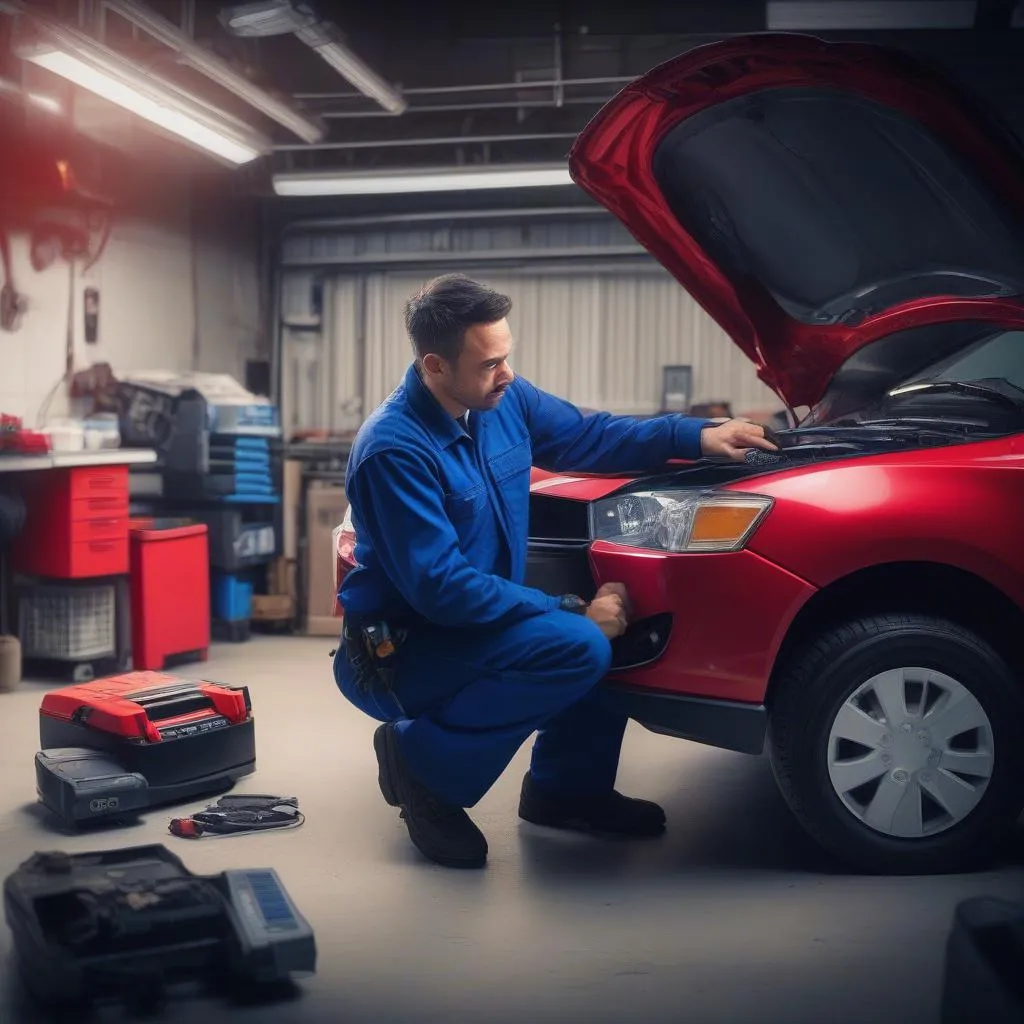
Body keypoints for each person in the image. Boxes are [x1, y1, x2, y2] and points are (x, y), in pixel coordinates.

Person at [333, 274, 777, 869]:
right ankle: (424, 769)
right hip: (402, 651)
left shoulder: (499, 400)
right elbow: (442, 589)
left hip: (467, 623)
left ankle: (567, 791)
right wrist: (571, 610)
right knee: (580, 641)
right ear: (435, 366)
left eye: (507, 356)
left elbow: (591, 435)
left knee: (607, 627)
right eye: (490, 364)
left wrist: (696, 435)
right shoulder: (394, 451)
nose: (508, 374)